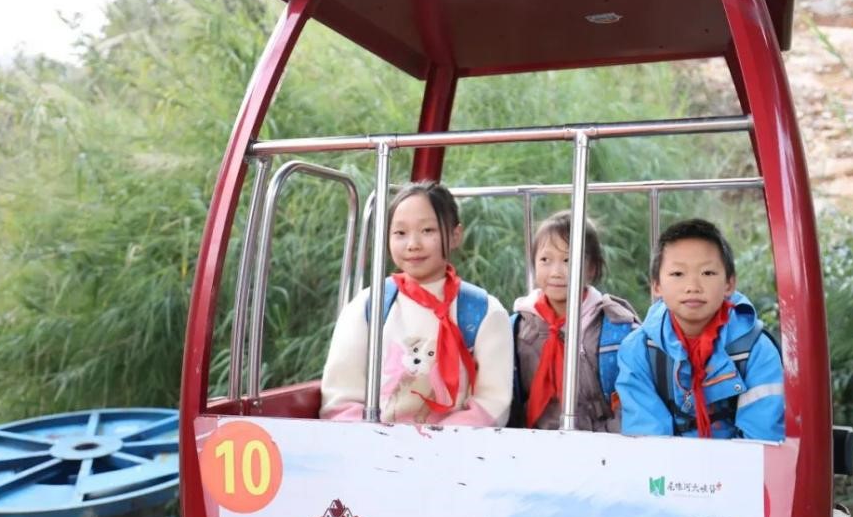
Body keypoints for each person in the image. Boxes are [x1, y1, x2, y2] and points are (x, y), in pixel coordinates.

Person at [320, 181, 513, 426]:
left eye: (427, 231)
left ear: (455, 235)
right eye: (400, 233)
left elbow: (492, 403)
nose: (413, 244)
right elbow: (341, 397)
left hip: (458, 452)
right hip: (373, 450)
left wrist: (435, 447)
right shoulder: (370, 306)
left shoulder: (483, 312)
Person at [616, 218, 784, 440]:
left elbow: (762, 444)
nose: (693, 286)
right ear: (656, 286)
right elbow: (648, 442)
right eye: (677, 274)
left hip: (737, 472)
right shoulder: (638, 350)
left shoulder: (755, 351)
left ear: (729, 284)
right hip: (663, 472)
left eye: (707, 273)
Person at [510, 211, 639, 431]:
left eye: (568, 260)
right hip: (534, 447)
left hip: (601, 446)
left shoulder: (616, 327)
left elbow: (634, 399)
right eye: (545, 260)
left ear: (591, 268)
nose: (556, 272)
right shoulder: (519, 327)